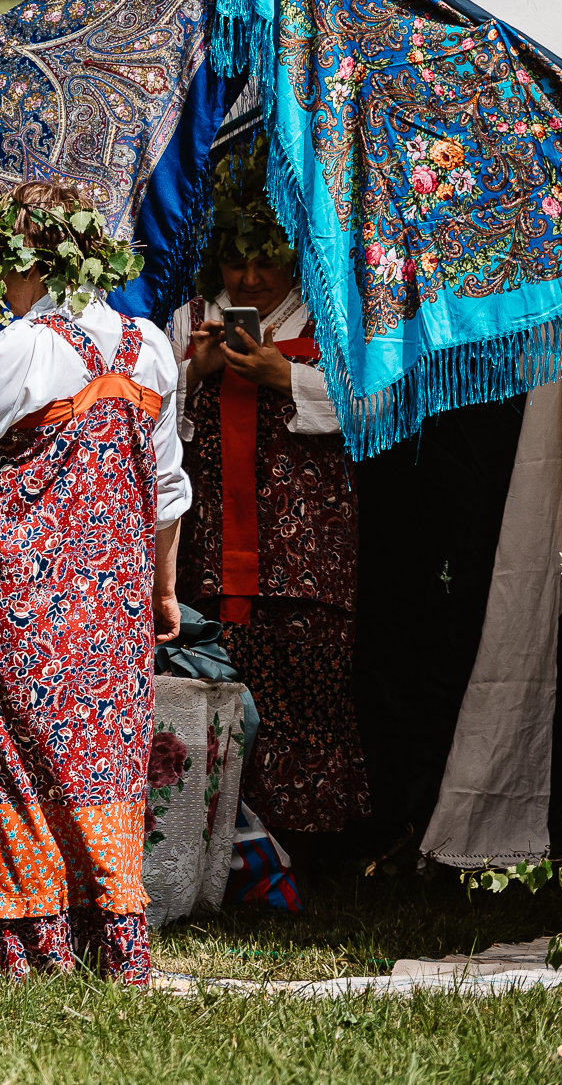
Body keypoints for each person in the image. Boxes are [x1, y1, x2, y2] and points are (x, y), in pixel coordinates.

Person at [0, 180, 189, 983]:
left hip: (18, 598)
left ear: (26, 262)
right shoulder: (150, 347)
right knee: (99, 762)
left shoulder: (23, 345)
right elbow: (165, 487)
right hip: (111, 609)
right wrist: (163, 587)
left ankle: (19, 940)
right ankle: (104, 938)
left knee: (10, 762)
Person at [171, 136, 369, 842]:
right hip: (209, 553)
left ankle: (309, 847)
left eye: (268, 260)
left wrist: (279, 377)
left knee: (307, 697)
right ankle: (222, 842)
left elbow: (371, 407)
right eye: (236, 259)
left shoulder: (330, 320)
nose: (251, 277)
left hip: (303, 556)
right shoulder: (189, 320)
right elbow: (149, 424)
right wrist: (194, 372)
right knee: (218, 691)